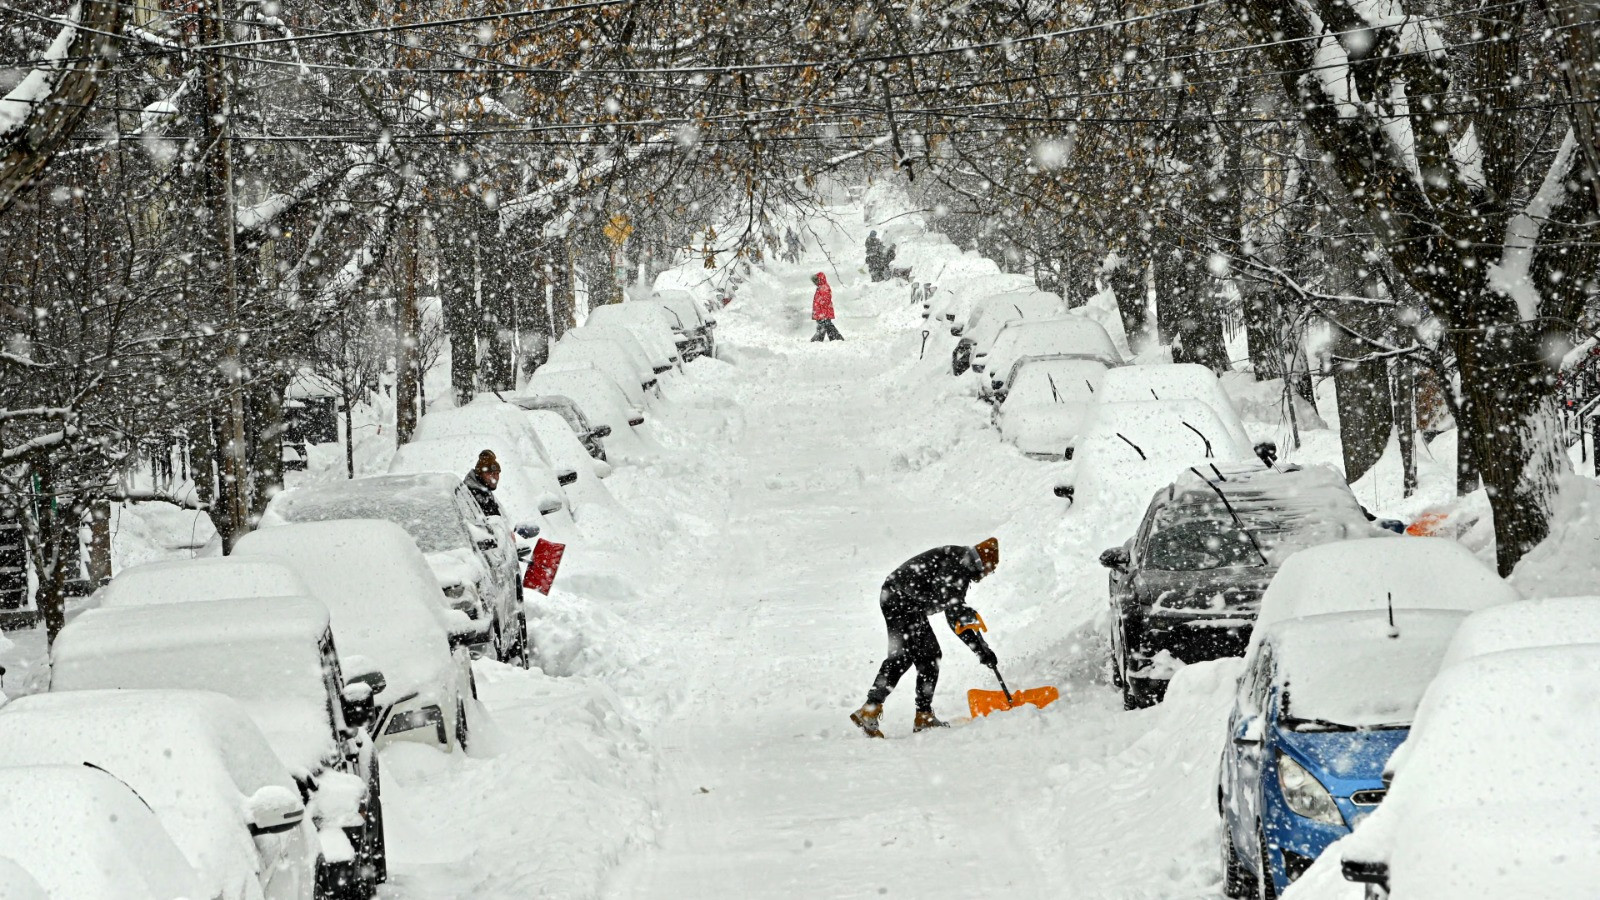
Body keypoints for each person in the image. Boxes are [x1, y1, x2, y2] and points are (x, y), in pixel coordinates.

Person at [850, 538, 1001, 737]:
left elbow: (954, 616)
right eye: (990, 569)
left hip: (905, 601)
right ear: (983, 562)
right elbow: (953, 608)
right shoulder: (956, 565)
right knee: (905, 657)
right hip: (899, 599)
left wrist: (981, 650)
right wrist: (979, 646)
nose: (988, 574)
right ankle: (873, 710)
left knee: (928, 656)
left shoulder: (961, 565)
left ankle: (922, 716)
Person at [464, 449, 502, 518]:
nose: (495, 477)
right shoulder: (469, 494)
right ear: (480, 474)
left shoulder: (486, 493)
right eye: (490, 473)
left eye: (497, 473)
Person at [810, 272, 844, 342]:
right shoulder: (820, 287)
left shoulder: (824, 287)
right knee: (826, 326)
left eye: (816, 281)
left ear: (820, 279)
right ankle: (836, 338)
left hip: (824, 312)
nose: (815, 283)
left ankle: (818, 339)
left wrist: (820, 303)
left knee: (824, 326)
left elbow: (826, 299)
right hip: (821, 312)